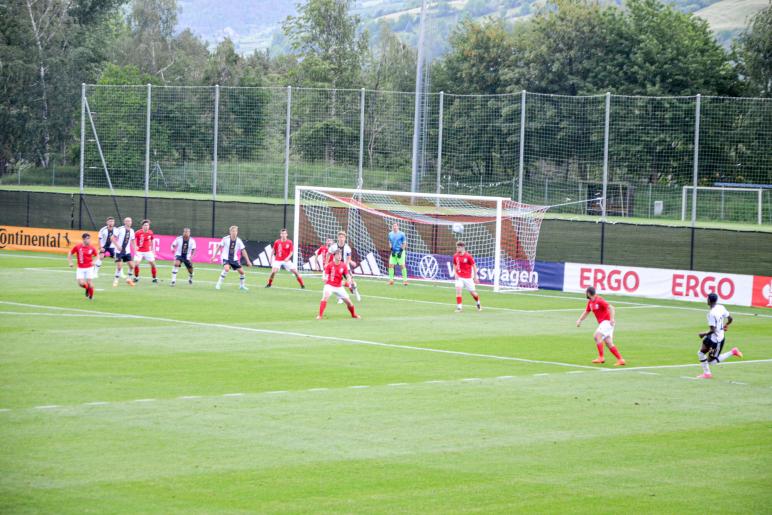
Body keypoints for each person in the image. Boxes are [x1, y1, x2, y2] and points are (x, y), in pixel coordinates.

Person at [697, 292, 743, 379]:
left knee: (711, 362)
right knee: (700, 353)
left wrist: (702, 334)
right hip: (712, 337)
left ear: (709, 301)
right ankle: (707, 374)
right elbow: (730, 318)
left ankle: (733, 352)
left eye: (707, 299)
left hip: (717, 339)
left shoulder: (711, 314)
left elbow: (712, 330)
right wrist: (726, 324)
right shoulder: (721, 307)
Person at [576, 286, 625, 366]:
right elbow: (586, 312)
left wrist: (612, 319)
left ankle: (601, 357)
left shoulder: (599, 300)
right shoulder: (590, 302)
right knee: (608, 342)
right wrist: (580, 320)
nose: (585, 294)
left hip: (607, 322)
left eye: (585, 292)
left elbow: (611, 308)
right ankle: (621, 360)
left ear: (588, 293)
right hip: (604, 323)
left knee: (597, 335)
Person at [318, 249, 360, 320]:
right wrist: (325, 278)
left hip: (339, 287)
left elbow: (347, 275)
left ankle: (353, 314)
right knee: (326, 296)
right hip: (329, 285)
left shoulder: (343, 265)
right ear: (334, 256)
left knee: (349, 302)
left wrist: (349, 280)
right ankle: (320, 315)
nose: (339, 256)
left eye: (340, 255)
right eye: (338, 255)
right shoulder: (330, 265)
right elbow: (326, 275)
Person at [212, 225, 252, 291]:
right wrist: (214, 256)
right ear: (230, 232)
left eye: (236, 231)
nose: (234, 232)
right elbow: (219, 247)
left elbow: (243, 250)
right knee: (227, 269)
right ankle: (218, 284)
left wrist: (248, 261)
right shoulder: (225, 239)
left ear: (237, 232)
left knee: (242, 272)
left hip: (234, 259)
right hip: (225, 258)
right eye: (233, 231)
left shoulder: (239, 240)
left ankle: (242, 286)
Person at [328, 231, 361, 301]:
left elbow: (349, 259)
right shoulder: (333, 246)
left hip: (345, 267)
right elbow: (328, 253)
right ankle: (340, 298)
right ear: (338, 238)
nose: (341, 238)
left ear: (345, 238)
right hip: (336, 267)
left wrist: (344, 266)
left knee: (351, 282)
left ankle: (356, 292)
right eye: (340, 237)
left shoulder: (347, 248)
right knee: (336, 282)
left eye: (342, 237)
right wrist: (326, 263)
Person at [452, 242, 481, 312]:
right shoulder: (455, 255)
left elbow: (474, 266)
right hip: (459, 277)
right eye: (457, 247)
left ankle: (478, 302)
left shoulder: (468, 256)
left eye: (459, 247)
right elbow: (454, 264)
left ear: (462, 247)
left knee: (473, 293)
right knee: (458, 289)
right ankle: (459, 307)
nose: (457, 248)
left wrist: (475, 277)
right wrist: (455, 273)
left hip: (468, 278)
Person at [68, 233, 98, 299]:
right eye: (88, 238)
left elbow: (97, 255)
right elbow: (70, 253)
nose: (89, 240)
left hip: (89, 267)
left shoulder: (92, 247)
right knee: (81, 284)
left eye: (90, 238)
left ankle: (91, 297)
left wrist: (94, 261)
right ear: (83, 239)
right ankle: (87, 288)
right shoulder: (78, 247)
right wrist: (70, 262)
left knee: (89, 282)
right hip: (80, 268)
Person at [111, 217, 136, 287]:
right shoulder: (120, 229)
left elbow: (133, 241)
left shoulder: (132, 231)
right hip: (118, 251)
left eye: (130, 221)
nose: (129, 222)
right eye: (127, 221)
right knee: (119, 266)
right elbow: (112, 238)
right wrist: (117, 246)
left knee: (132, 266)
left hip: (127, 251)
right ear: (125, 222)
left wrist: (135, 249)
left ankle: (128, 279)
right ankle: (116, 280)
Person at [133, 219, 157, 284]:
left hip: (147, 251)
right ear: (142, 226)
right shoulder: (138, 232)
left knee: (153, 265)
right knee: (136, 264)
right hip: (139, 251)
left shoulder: (150, 232)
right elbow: (133, 240)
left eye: (147, 225)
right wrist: (135, 247)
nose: (146, 226)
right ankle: (136, 277)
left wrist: (153, 251)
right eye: (145, 225)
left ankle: (154, 278)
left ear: (149, 226)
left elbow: (152, 241)